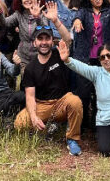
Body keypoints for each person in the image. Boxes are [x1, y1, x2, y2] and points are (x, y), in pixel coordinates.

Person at [14, 26, 85, 156]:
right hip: (42, 104)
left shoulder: (60, 55)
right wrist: (34, 117)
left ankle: (72, 139)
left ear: (52, 41)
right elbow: (30, 97)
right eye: (40, 39)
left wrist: (55, 21)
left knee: (75, 102)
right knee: (19, 123)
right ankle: (48, 128)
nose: (44, 42)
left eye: (47, 39)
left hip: (62, 102)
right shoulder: (30, 68)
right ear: (35, 43)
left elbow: (68, 39)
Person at [61, 35, 110, 157]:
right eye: (102, 57)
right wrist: (67, 60)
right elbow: (81, 67)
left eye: (109, 55)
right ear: (99, 60)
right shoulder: (97, 73)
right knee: (105, 151)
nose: (106, 59)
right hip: (105, 119)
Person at [71, 0, 110, 128]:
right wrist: (77, 21)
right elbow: (77, 17)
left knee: (101, 93)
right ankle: (81, 124)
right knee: (84, 93)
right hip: (85, 58)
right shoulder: (84, 11)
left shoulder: (109, 11)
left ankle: (98, 123)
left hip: (104, 59)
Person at [5, 0, 71, 67]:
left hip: (42, 57)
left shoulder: (45, 13)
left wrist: (38, 18)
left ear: (36, 0)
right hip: (24, 59)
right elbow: (5, 23)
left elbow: (45, 31)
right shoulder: (19, 14)